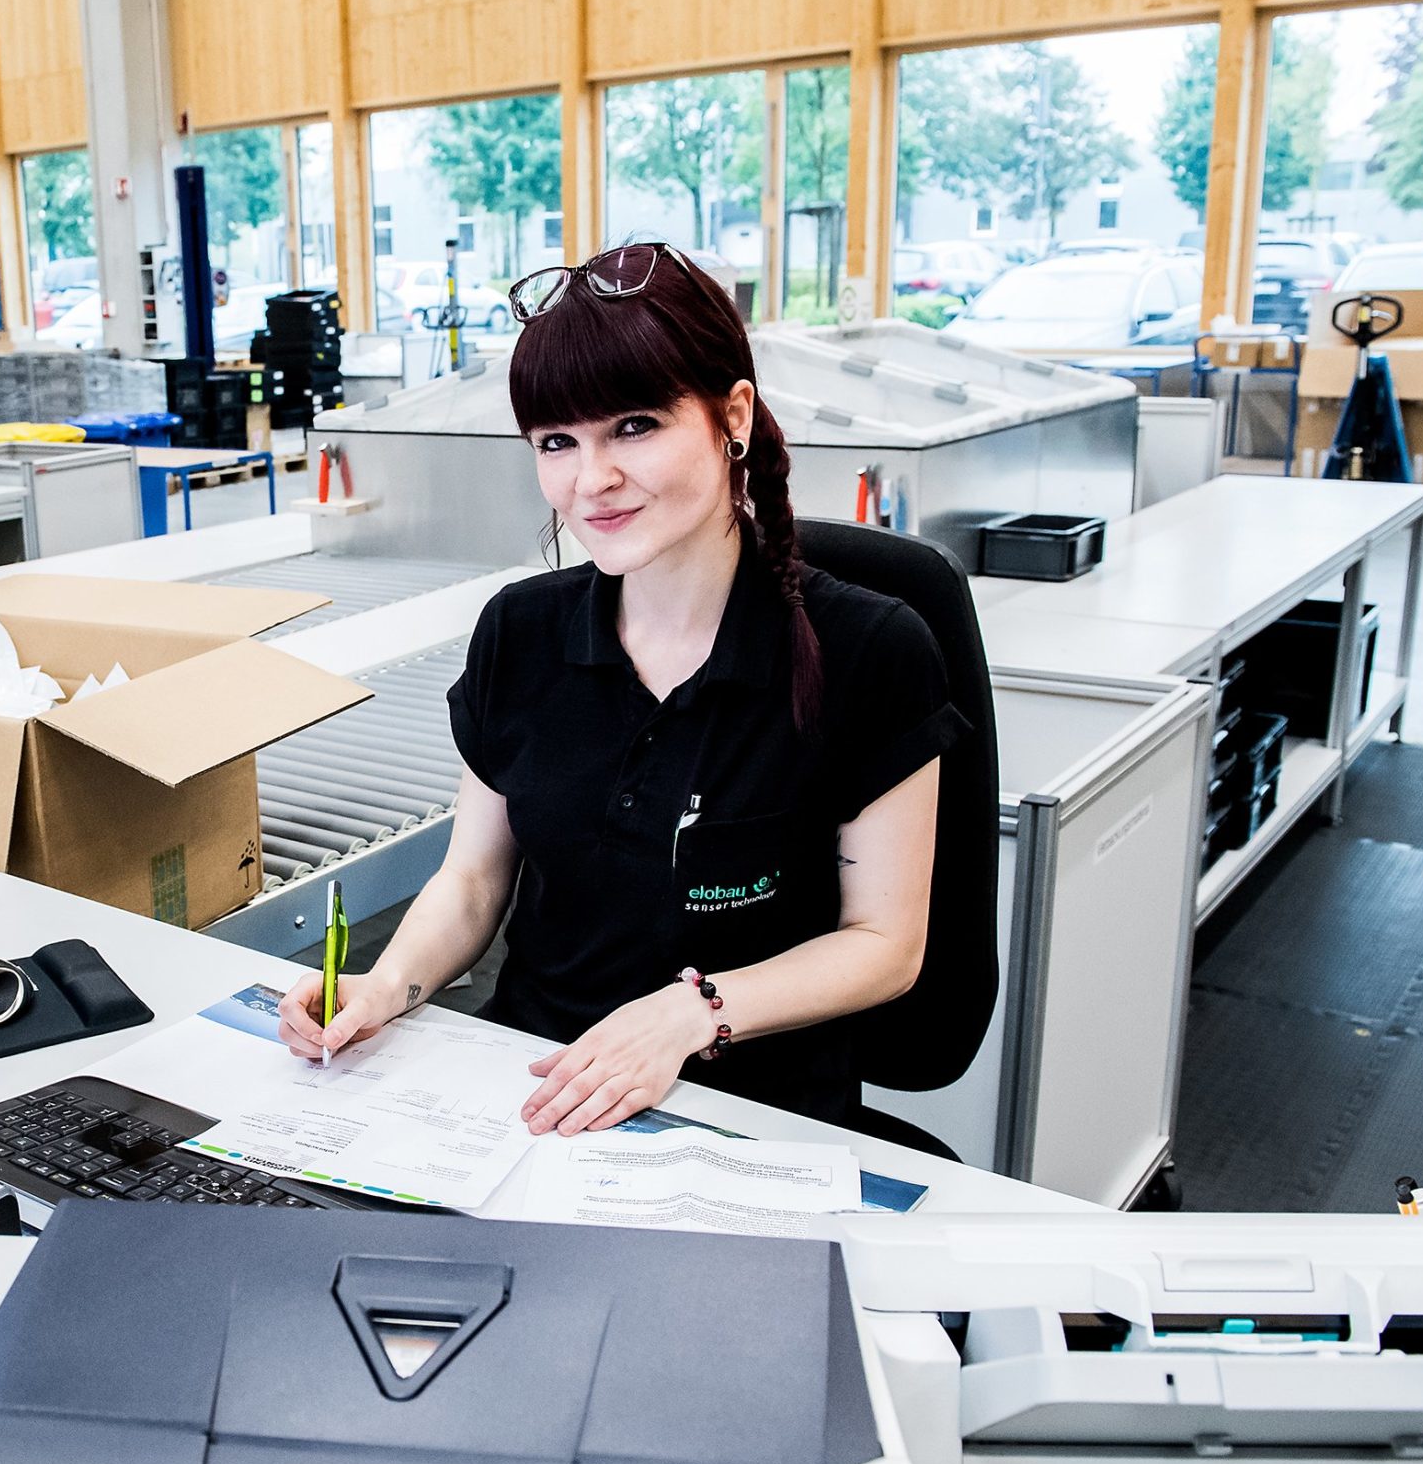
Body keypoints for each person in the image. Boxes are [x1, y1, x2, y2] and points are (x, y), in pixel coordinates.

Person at [278, 244, 966, 1134]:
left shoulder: (871, 651)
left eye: (634, 426)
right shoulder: (519, 635)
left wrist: (691, 1014)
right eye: (557, 442)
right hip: (525, 1091)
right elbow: (474, 882)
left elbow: (886, 945)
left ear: (734, 417)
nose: (590, 481)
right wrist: (384, 984)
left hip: (750, 1116)